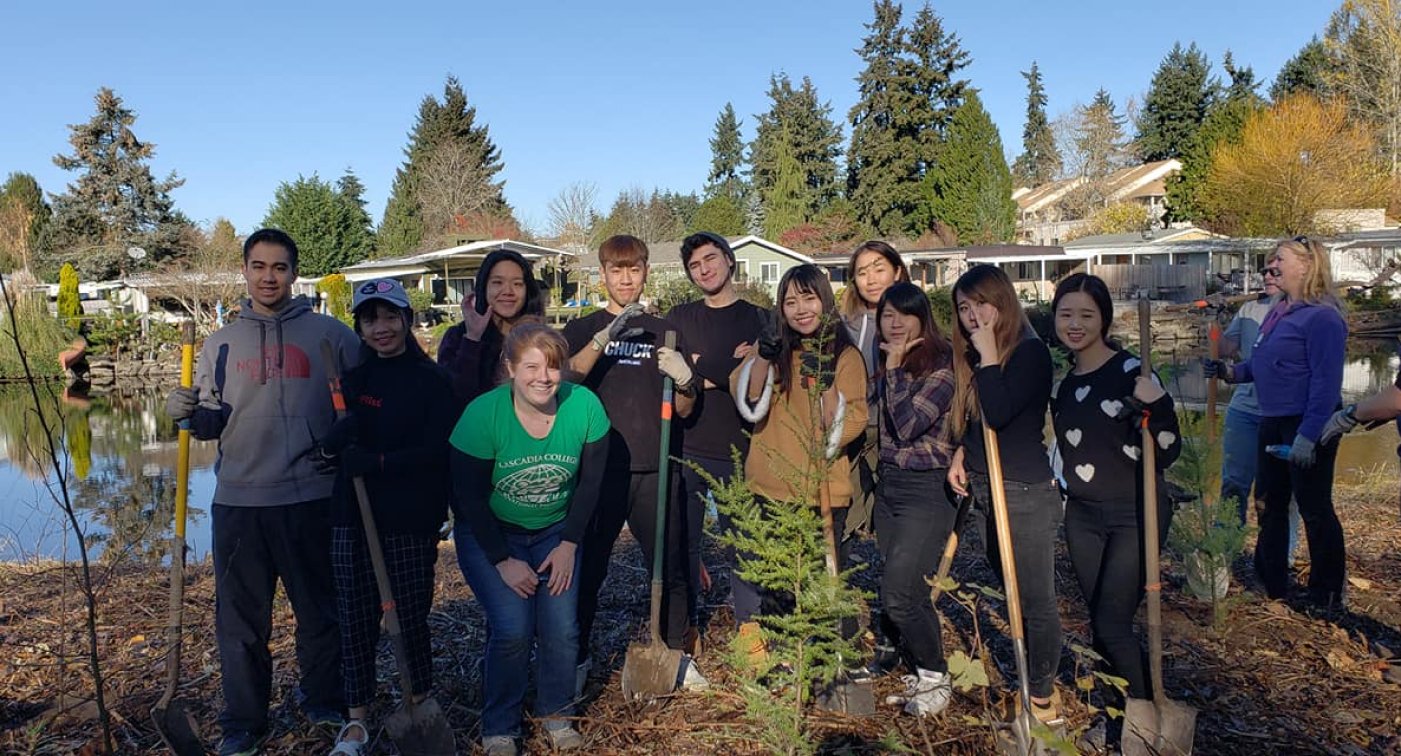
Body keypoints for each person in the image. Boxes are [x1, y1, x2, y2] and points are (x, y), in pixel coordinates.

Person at [165, 228, 360, 756]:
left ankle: (322, 702)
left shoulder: (332, 336)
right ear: (245, 271)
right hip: (240, 501)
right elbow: (207, 425)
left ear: (294, 273)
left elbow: (364, 405)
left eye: (278, 267)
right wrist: (185, 415)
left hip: (312, 496)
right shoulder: (220, 343)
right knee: (241, 622)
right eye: (258, 266)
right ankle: (245, 722)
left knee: (320, 613)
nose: (268, 276)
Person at [451, 323, 608, 755]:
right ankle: (500, 726)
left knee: (561, 626)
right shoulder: (483, 415)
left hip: (556, 531)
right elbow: (466, 499)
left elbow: (591, 484)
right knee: (513, 627)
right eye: (531, 366)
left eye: (553, 366)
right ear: (510, 368)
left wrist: (570, 544)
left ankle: (556, 713)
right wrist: (503, 560)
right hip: (493, 534)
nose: (543, 377)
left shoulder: (585, 407)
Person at [318, 279, 455, 756]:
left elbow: (439, 453)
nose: (382, 328)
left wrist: (378, 463)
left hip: (408, 518)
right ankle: (355, 721)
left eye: (390, 316)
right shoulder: (350, 384)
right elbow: (324, 455)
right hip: (351, 516)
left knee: (409, 615)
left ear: (407, 320)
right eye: (370, 319)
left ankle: (418, 698)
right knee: (354, 616)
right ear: (360, 326)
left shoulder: (433, 381)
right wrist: (332, 444)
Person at [564, 235, 704, 691]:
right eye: (616, 270)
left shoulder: (666, 331)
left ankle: (675, 654)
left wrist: (685, 380)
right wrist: (604, 339)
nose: (626, 278)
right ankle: (577, 654)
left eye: (634, 269)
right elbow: (563, 380)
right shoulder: (582, 329)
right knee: (588, 568)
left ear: (646, 271)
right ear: (601, 275)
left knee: (669, 565)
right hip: (598, 469)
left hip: (657, 466)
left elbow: (684, 410)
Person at [1049, 273, 1181, 703]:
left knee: (1111, 622)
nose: (1075, 324)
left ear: (1104, 319)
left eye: (1086, 315)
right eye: (1066, 314)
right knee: (1100, 619)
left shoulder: (1132, 373)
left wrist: (1156, 404)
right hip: (1083, 516)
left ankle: (1142, 717)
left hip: (1136, 512)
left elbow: (1168, 451)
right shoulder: (1066, 387)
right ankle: (1118, 712)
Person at [945, 264, 1063, 723]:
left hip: (1023, 492)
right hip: (985, 486)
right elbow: (978, 425)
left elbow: (1000, 412)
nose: (973, 315)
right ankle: (1031, 677)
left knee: (1034, 599)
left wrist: (990, 355)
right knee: (1009, 590)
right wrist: (962, 453)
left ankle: (1043, 698)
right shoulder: (978, 356)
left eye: (981, 304)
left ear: (1003, 301)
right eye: (963, 308)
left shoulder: (1029, 353)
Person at [1204, 236, 1348, 609]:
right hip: (1271, 417)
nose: (1270, 270)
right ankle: (1272, 582)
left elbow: (1325, 382)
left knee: (1314, 506)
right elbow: (1263, 363)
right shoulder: (1279, 310)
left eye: (1277, 262)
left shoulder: (1323, 318)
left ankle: (1326, 593)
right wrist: (1231, 372)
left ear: (1305, 265)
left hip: (1306, 422)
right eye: (1269, 266)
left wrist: (1308, 436)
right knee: (1268, 501)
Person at [730, 264, 869, 635]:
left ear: (824, 299)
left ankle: (833, 662)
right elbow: (748, 399)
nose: (800, 309)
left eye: (808, 298)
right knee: (776, 589)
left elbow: (850, 421)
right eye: (790, 301)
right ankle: (787, 664)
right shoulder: (772, 349)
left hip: (818, 490)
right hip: (769, 487)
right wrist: (762, 356)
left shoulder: (845, 356)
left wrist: (824, 381)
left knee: (822, 585)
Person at [665, 232, 768, 644]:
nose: (704, 269)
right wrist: (731, 369)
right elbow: (672, 375)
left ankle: (751, 629)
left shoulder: (759, 318)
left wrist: (696, 370)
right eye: (695, 265)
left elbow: (759, 382)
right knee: (684, 543)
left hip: (740, 448)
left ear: (729, 260)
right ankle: (687, 626)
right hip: (686, 445)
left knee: (744, 545)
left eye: (711, 259)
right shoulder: (680, 317)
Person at [868, 282, 957, 717]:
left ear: (923, 319)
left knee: (899, 593)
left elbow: (906, 425)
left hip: (927, 487)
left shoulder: (940, 367)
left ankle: (938, 676)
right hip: (890, 486)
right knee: (907, 587)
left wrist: (897, 368)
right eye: (887, 315)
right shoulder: (884, 362)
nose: (895, 323)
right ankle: (923, 668)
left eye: (904, 314)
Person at [1218, 265, 1302, 560]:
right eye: (1264, 270)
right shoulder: (1249, 309)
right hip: (1244, 409)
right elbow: (1224, 350)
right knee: (1233, 483)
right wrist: (1216, 320)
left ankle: (1282, 557)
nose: (1267, 275)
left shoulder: (1307, 313)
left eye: (1276, 270)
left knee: (1281, 493)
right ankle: (1225, 550)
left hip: (1284, 412)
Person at [437, 248, 545, 405]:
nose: (508, 291)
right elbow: (453, 395)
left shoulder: (540, 337)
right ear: (483, 287)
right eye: (497, 282)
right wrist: (473, 339)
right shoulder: (458, 337)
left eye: (517, 284)